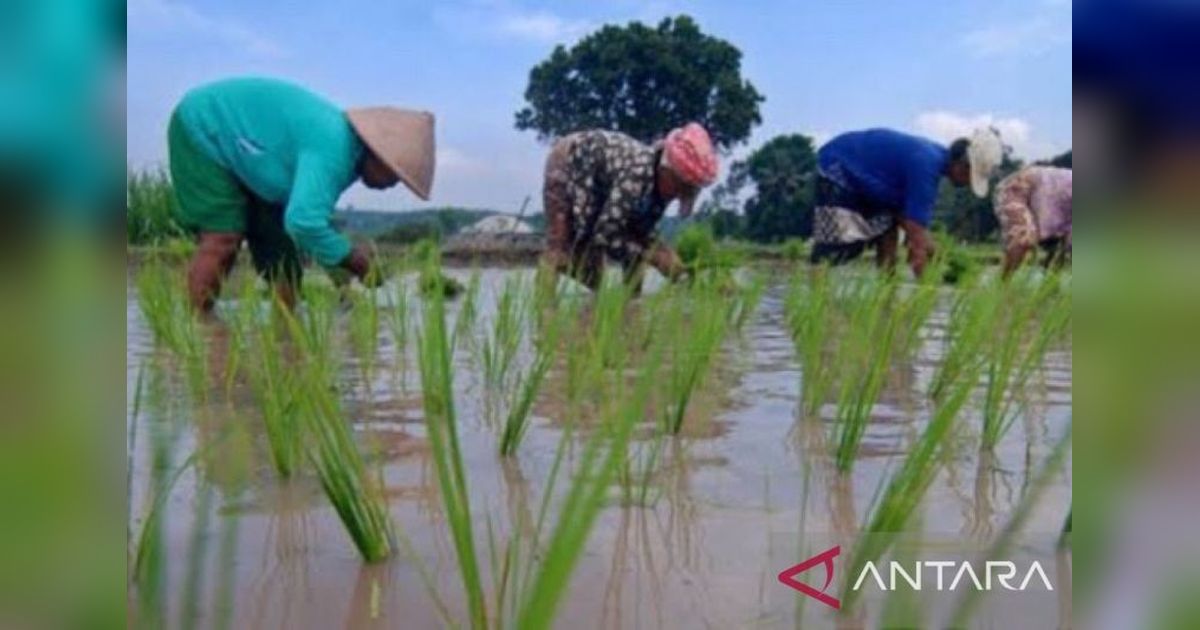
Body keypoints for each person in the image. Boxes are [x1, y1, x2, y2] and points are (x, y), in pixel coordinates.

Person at [168, 77, 435, 312]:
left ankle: (285, 335)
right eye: (395, 175)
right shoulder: (335, 147)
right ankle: (197, 335)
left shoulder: (348, 155)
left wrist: (342, 284)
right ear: (378, 155)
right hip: (206, 128)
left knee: (284, 262)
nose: (392, 185)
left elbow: (311, 223)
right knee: (223, 238)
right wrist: (357, 261)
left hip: (257, 167)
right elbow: (303, 223)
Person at [541, 123, 719, 290]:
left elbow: (640, 235)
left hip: (602, 183)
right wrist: (653, 257)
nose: (678, 195)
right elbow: (606, 234)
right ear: (667, 171)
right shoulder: (636, 176)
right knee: (560, 246)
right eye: (680, 187)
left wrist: (678, 271)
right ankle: (545, 309)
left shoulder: (660, 191)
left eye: (687, 190)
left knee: (601, 273)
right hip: (570, 159)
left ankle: (629, 307)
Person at [811, 127, 1004, 277]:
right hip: (839, 166)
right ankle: (814, 299)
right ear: (962, 166)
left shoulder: (932, 160)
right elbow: (917, 244)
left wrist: (939, 254)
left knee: (887, 225)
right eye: (970, 178)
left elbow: (909, 223)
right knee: (835, 247)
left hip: (873, 184)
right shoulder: (926, 166)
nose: (968, 184)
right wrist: (929, 294)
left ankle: (886, 290)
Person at [992, 165, 1072, 276]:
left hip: (1048, 199)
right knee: (1023, 238)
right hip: (1022, 187)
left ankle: (1050, 287)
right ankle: (1001, 285)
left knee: (1060, 249)